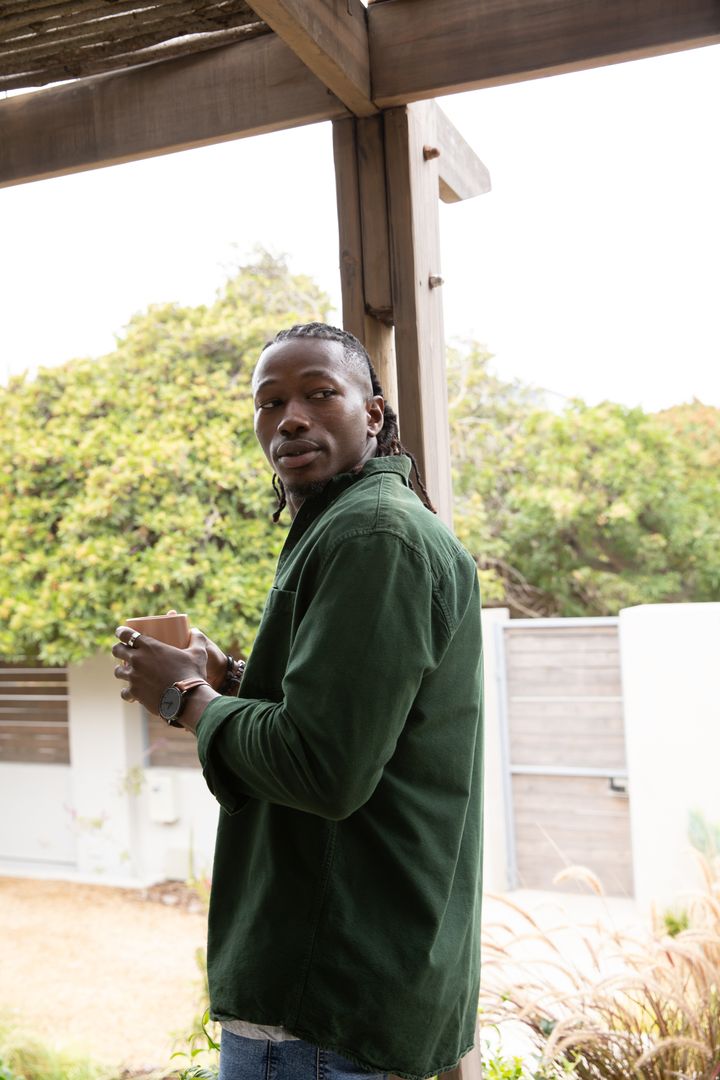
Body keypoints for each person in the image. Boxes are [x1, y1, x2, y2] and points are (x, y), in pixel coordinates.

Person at [113, 323, 484, 1080]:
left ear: (372, 413)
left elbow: (322, 766)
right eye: (270, 402)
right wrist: (234, 678)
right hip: (342, 988)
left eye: (319, 394)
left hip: (324, 996)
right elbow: (346, 721)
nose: (289, 420)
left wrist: (187, 698)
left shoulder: (373, 536)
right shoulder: (352, 524)